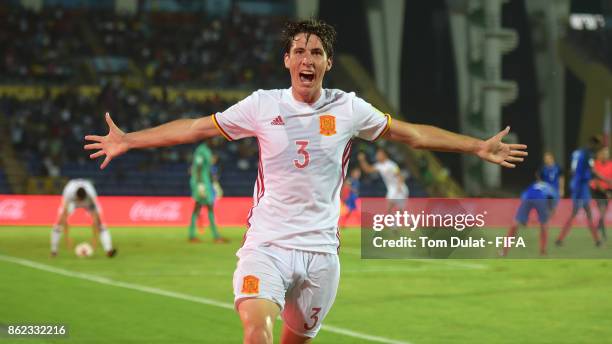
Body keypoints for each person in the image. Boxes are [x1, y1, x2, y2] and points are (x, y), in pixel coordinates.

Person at [85, 19, 527, 344]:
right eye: (299, 51)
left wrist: (475, 146)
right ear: (287, 60)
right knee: (256, 332)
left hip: (321, 255)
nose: (307, 59)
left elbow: (412, 134)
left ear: (328, 62)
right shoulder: (262, 105)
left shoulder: (349, 108)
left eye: (316, 53)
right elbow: (196, 127)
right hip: (267, 247)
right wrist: (131, 140)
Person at [556, 136, 607, 247]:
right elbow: (593, 171)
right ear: (592, 144)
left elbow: (572, 170)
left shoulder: (576, 153)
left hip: (576, 185)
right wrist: (607, 180)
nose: (596, 148)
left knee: (581, 213)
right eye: (596, 145)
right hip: (581, 187)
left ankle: (561, 239)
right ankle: (597, 241)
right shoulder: (588, 154)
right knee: (580, 213)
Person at [51, 178, 117, 257]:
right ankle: (54, 251)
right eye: (80, 200)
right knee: (59, 223)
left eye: (82, 200)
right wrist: (67, 238)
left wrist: (94, 239)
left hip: (87, 202)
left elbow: (95, 218)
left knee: (101, 224)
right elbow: (64, 216)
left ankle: (108, 250)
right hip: (72, 202)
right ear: (77, 197)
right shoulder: (69, 192)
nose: (80, 202)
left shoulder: (90, 194)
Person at [502, 179, 559, 256]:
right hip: (541, 199)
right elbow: (553, 206)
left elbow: (523, 196)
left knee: (515, 224)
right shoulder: (553, 189)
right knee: (544, 225)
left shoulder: (534, 184)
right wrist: (549, 215)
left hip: (528, 197)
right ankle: (543, 251)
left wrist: (523, 220)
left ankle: (504, 251)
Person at [189, 142, 227, 243]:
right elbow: (197, 169)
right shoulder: (202, 151)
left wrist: (214, 184)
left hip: (205, 184)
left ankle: (193, 235)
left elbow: (206, 171)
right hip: (201, 184)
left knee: (201, 208)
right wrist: (200, 184)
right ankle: (215, 236)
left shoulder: (206, 151)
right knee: (203, 208)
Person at [590, 146, 612, 240]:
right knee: (602, 210)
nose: (605, 155)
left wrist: (609, 191)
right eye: (604, 153)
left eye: (607, 153)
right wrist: (605, 191)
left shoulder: (611, 164)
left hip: (608, 190)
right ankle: (603, 234)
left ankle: (599, 228)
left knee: (604, 211)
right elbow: (596, 180)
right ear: (601, 154)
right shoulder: (596, 164)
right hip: (597, 191)